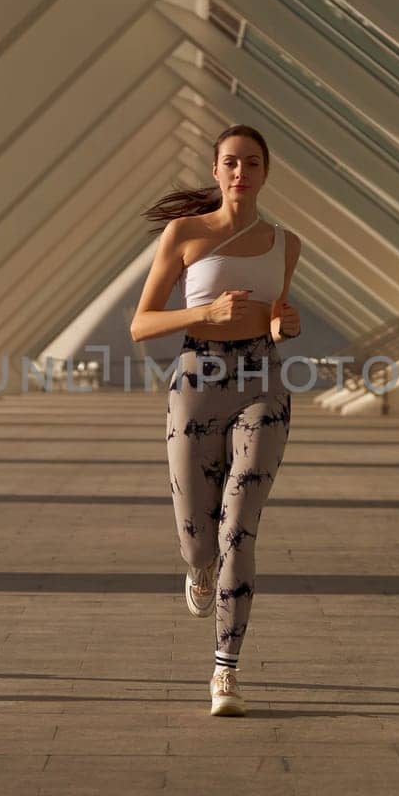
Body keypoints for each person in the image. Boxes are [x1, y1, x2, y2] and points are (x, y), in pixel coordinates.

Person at [130, 125, 301, 716]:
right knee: (199, 535)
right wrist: (206, 310)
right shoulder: (186, 234)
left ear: (264, 171)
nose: (240, 173)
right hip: (197, 379)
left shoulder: (286, 242)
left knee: (240, 527)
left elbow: (275, 317)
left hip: (263, 382)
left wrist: (284, 326)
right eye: (230, 162)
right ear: (215, 169)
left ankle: (225, 671)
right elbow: (141, 323)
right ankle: (199, 568)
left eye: (252, 163)